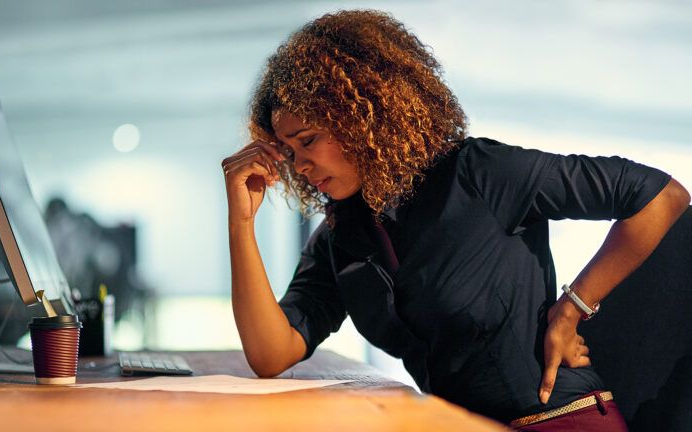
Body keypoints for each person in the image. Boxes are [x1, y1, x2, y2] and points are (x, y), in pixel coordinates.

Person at [221, 9, 690, 430]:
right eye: (289, 151)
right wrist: (242, 223)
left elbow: (660, 195)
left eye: (309, 140)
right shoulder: (341, 238)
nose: (299, 165)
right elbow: (271, 353)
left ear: (361, 117)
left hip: (557, 419)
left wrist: (573, 306)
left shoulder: (480, 174)